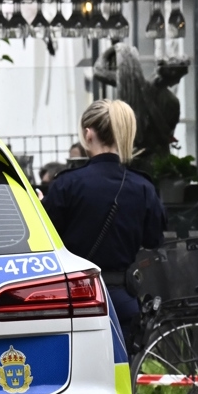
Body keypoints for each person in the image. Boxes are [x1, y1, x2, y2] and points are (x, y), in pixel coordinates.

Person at [43, 99, 166, 348]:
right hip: (123, 298)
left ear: (89, 134)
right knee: (123, 367)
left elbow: (45, 238)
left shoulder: (66, 185)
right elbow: (154, 239)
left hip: (76, 298)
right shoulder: (142, 187)